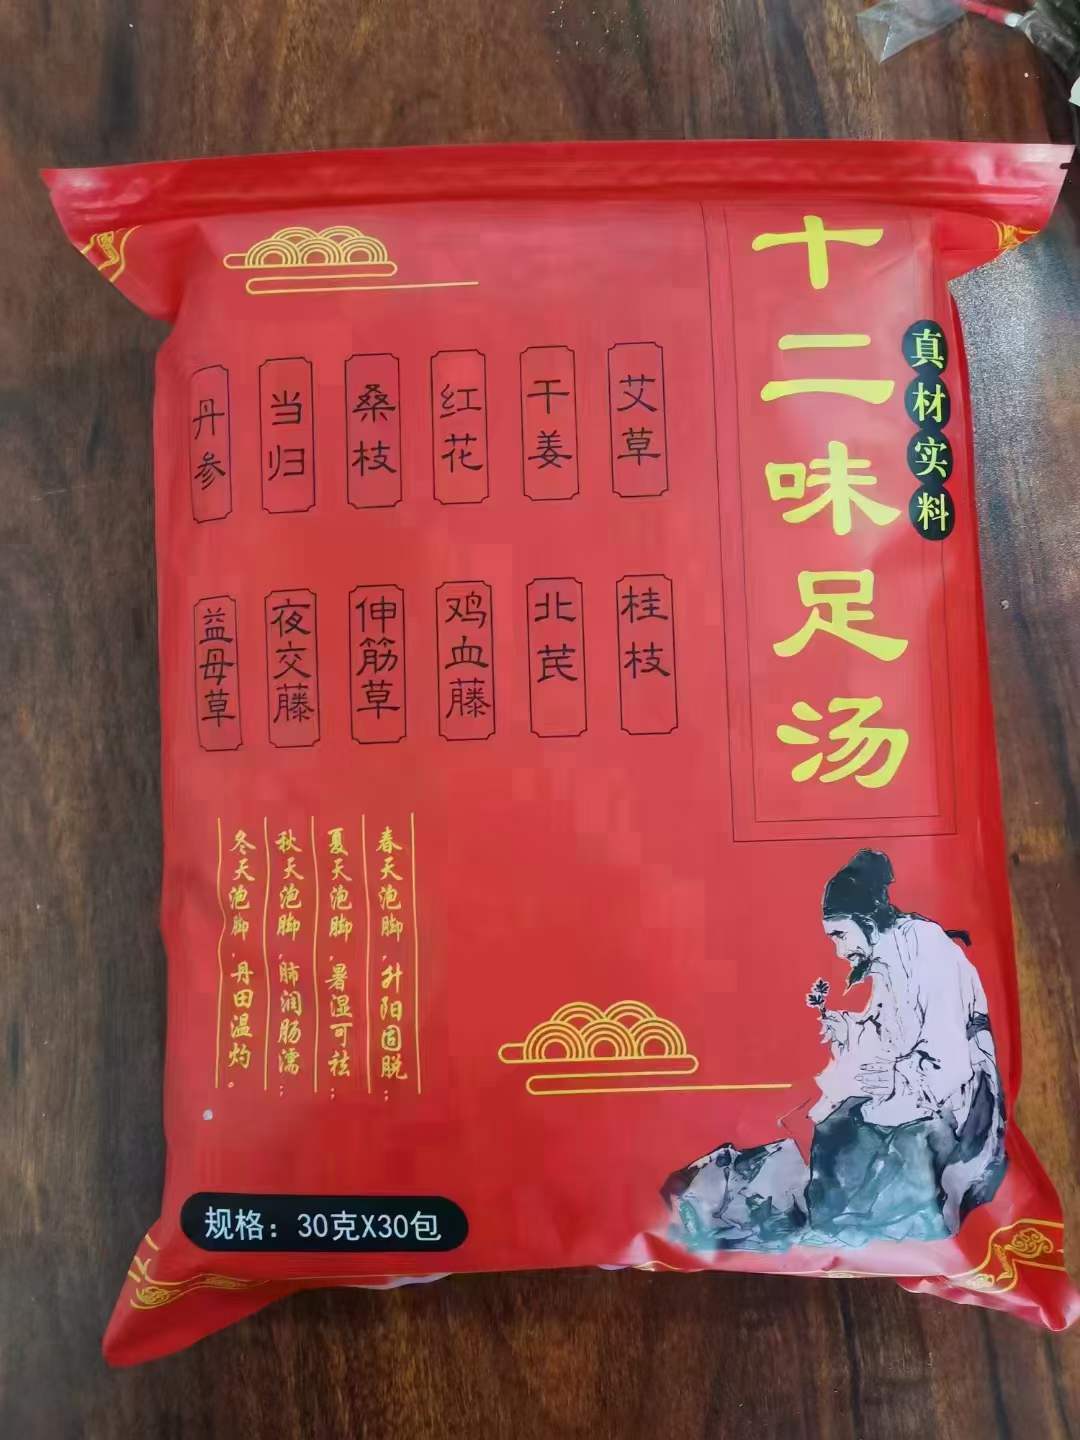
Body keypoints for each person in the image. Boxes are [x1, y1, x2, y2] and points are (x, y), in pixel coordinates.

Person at [665, 851, 1007, 1252]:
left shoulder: (927, 948)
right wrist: (841, 1023)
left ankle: (847, 1220)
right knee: (835, 1125)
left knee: (850, 1135)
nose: (840, 952)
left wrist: (898, 1078)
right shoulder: (888, 956)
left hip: (961, 1101)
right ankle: (826, 1215)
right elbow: (886, 1033)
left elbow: (949, 1056)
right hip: (918, 1087)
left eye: (841, 936)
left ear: (868, 923)